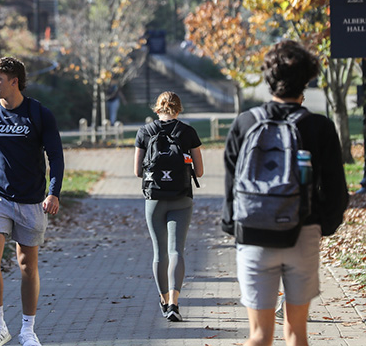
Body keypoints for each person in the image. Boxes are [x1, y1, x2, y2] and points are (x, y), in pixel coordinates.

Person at [222, 40, 349, 346]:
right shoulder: (319, 127)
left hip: (253, 234)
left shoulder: (245, 123)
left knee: (259, 335)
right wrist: (322, 225)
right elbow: (336, 191)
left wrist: (234, 227)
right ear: (307, 79)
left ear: (267, 78)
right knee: (295, 333)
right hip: (302, 231)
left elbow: (230, 188)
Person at [0, 56, 65, 346]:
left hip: (31, 199)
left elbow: (55, 155)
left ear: (14, 81)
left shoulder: (38, 113)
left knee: (26, 264)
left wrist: (53, 192)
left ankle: (27, 329)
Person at [134, 91, 204, 323]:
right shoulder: (188, 132)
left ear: (157, 108)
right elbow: (200, 171)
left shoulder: (144, 132)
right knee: (176, 251)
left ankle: (164, 301)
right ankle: (174, 302)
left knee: (159, 251)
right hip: (182, 198)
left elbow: (137, 172)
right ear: (179, 108)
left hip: (154, 199)